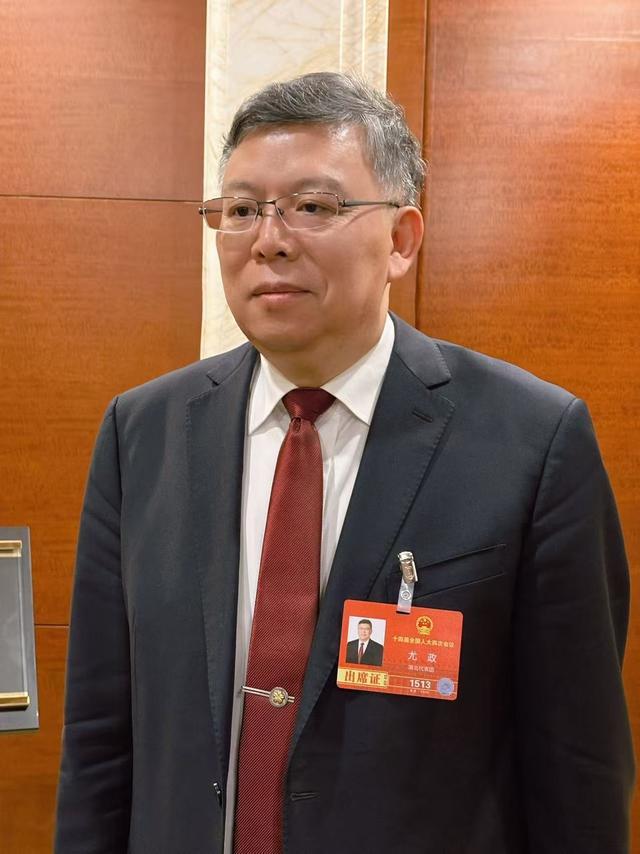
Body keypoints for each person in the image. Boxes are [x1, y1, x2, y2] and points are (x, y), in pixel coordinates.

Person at [55, 72, 634, 854]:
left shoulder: (533, 441)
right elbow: (99, 742)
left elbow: (578, 768)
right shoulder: (143, 433)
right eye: (242, 210)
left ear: (401, 240)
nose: (269, 239)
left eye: (314, 206)